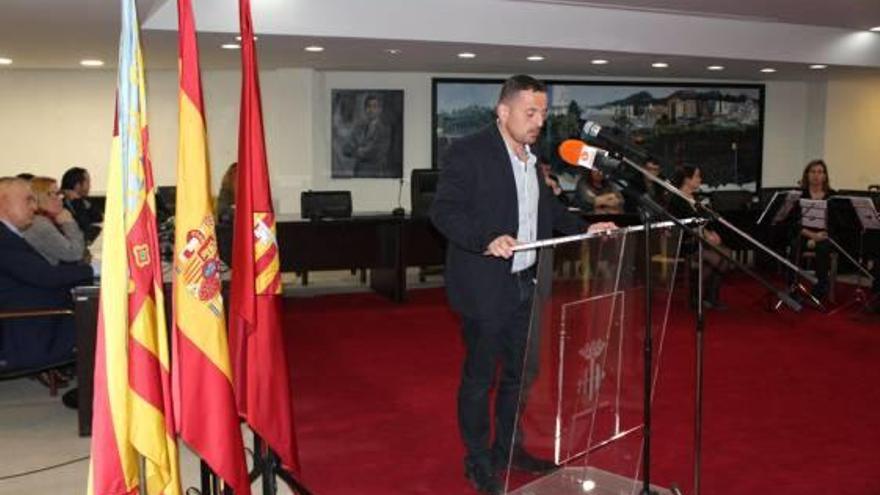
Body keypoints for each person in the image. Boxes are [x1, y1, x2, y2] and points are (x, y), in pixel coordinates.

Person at [430, 75, 613, 494]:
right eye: (530, 113)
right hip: (484, 287)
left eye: (543, 114)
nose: (538, 121)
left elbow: (545, 208)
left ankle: (509, 448)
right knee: (480, 378)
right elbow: (443, 211)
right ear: (503, 111)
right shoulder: (469, 152)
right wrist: (485, 239)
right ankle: (477, 460)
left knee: (519, 375)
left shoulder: (532, 158)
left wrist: (586, 228)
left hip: (528, 284)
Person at [0, 177, 93, 373]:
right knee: (103, 314)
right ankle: (95, 393)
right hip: (29, 329)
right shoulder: (3, 239)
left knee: (95, 302)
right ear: (3, 202)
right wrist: (93, 271)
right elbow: (46, 277)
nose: (34, 207)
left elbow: (40, 276)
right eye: (28, 200)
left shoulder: (9, 234)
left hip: (37, 314)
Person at [668, 165, 731, 309]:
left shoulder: (696, 199)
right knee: (718, 257)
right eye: (697, 176)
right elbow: (684, 225)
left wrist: (711, 233)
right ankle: (699, 296)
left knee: (726, 254)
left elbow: (704, 221)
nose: (700, 179)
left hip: (699, 241)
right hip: (683, 243)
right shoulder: (676, 199)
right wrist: (705, 234)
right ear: (687, 179)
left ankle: (708, 297)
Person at [791, 159, 835, 301]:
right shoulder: (799, 195)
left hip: (824, 236)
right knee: (794, 245)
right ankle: (793, 286)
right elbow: (794, 222)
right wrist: (811, 236)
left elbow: (836, 223)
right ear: (807, 175)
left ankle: (821, 287)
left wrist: (819, 237)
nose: (816, 175)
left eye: (820, 172)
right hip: (804, 233)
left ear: (825, 176)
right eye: (813, 172)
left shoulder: (832, 196)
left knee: (823, 248)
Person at [21, 176, 86, 265]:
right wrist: (69, 223)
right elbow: (74, 254)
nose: (60, 198)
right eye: (56, 194)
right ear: (40, 196)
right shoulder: (39, 224)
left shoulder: (43, 219)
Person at [345, 94, 392, 176]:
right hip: (359, 172)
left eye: (374, 106)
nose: (371, 110)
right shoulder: (359, 129)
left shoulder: (385, 130)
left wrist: (359, 151)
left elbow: (378, 153)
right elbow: (346, 149)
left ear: (380, 109)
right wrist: (363, 150)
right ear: (365, 109)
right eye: (368, 106)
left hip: (376, 173)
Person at [60, 166, 102, 243]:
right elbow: (84, 227)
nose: (90, 186)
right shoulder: (61, 207)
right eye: (88, 182)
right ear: (77, 185)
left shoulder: (85, 201)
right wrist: (77, 201)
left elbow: (99, 218)